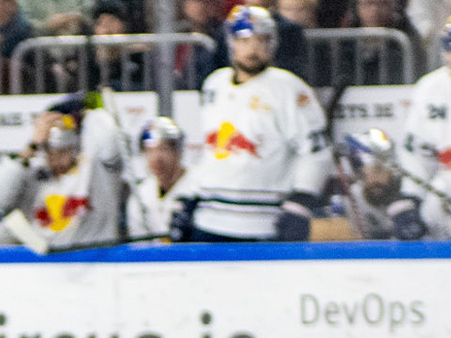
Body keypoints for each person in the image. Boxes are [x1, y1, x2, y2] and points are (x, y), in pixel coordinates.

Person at [176, 7, 327, 241]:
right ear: (231, 43)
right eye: (245, 40)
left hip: (264, 224)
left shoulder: (289, 88)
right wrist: (187, 197)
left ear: (273, 44)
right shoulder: (214, 85)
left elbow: (317, 152)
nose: (253, 49)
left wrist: (301, 203)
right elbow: (210, 152)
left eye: (261, 40)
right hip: (209, 220)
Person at [0, 104, 127, 248]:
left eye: (64, 151)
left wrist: (86, 113)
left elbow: (109, 140)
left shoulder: (97, 173)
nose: (57, 157)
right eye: (50, 150)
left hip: (94, 259)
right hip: (45, 262)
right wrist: (31, 148)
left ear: (76, 147)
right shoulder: (30, 173)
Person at [339, 128, 428, 237]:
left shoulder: (410, 192)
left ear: (392, 171)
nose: (373, 180)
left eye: (378, 171)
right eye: (366, 174)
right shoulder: (354, 197)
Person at [398, 19, 451, 197]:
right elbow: (416, 149)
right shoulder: (429, 87)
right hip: (443, 180)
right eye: (448, 49)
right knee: (430, 209)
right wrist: (412, 196)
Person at [126, 116, 191, 239]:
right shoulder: (141, 196)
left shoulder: (197, 191)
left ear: (178, 152)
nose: (156, 158)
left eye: (163, 149)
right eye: (150, 150)